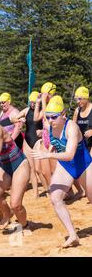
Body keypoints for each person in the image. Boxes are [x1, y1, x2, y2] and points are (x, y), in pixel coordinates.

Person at [31, 96, 92, 248]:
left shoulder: (71, 127)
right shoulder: (48, 125)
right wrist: (52, 146)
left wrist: (48, 154)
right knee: (55, 197)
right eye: (48, 117)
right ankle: (72, 234)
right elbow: (54, 142)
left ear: (64, 114)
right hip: (66, 166)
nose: (50, 120)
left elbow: (70, 154)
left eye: (54, 117)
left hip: (83, 164)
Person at [9, 91, 44, 197]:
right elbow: (12, 119)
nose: (32, 104)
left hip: (39, 141)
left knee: (39, 169)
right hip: (28, 140)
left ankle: (48, 188)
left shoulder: (43, 111)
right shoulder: (27, 110)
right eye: (31, 102)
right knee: (32, 168)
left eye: (34, 102)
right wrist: (19, 119)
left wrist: (43, 131)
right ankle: (35, 192)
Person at [72, 86, 92, 155]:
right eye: (76, 99)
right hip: (82, 146)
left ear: (86, 98)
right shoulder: (77, 110)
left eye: (80, 99)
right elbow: (73, 128)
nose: (77, 101)